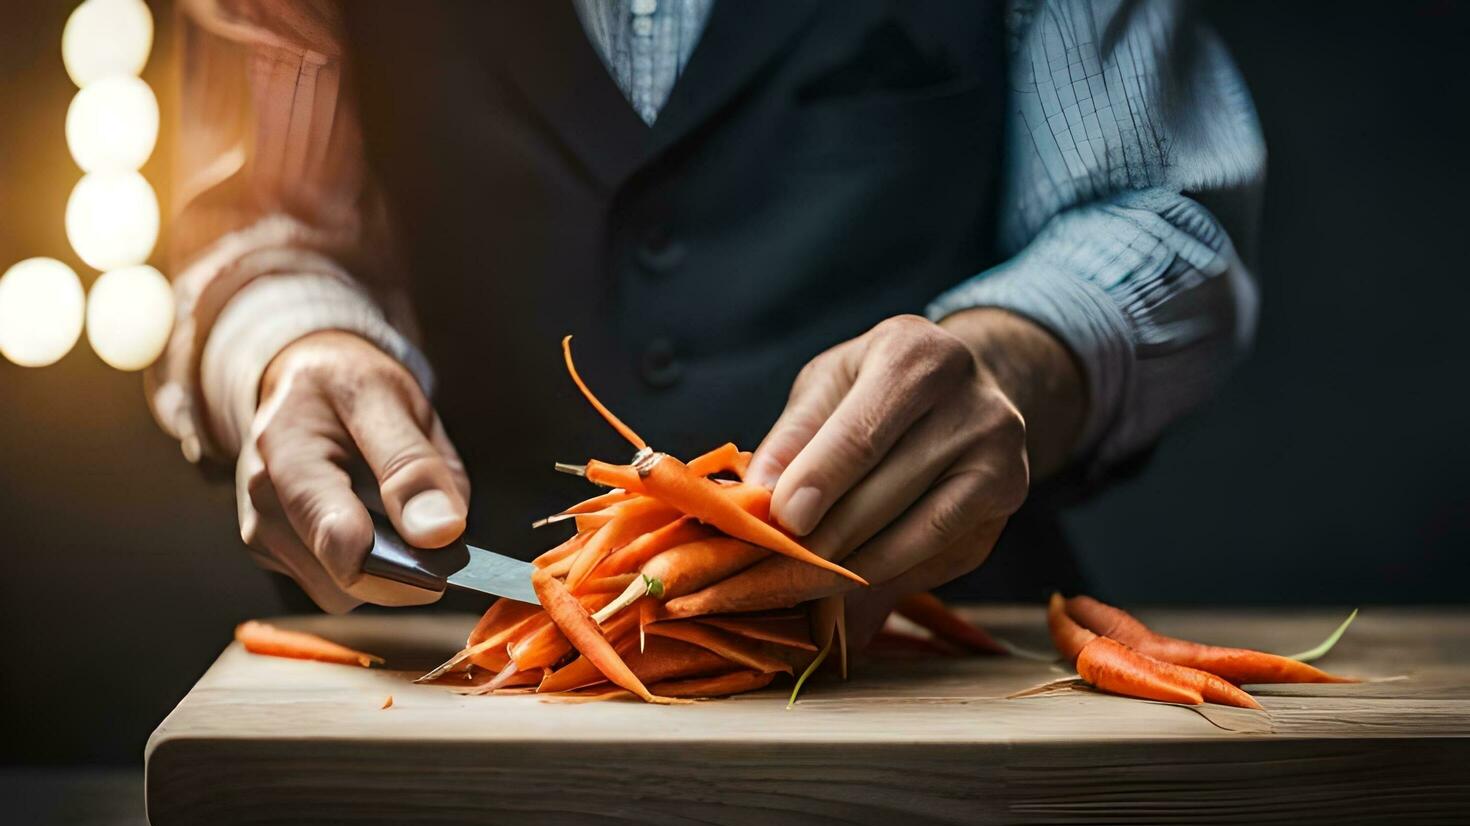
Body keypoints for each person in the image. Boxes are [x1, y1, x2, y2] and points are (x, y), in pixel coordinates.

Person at [149, 0, 1263, 643]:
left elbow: (1161, 213)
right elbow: (257, 226)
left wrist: (1014, 356)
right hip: (453, 666)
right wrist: (295, 348)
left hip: (930, 667)